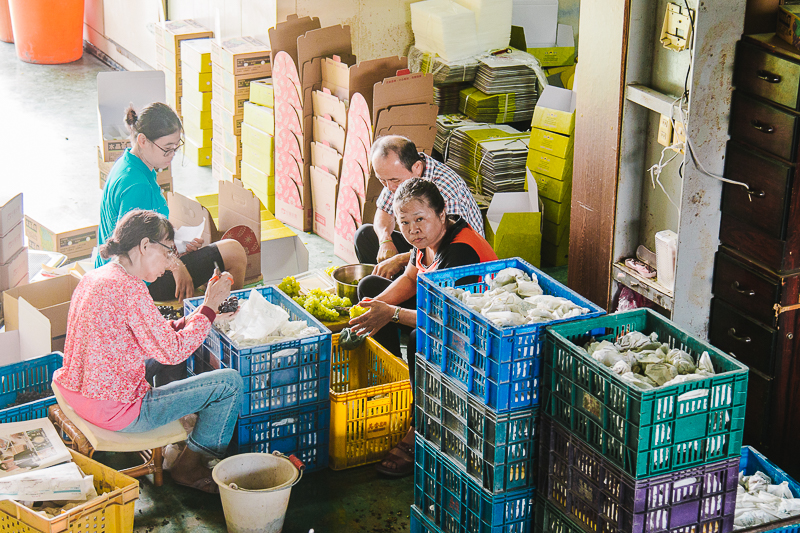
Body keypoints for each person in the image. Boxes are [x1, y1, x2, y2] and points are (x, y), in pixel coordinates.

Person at [53, 210, 244, 494]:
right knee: (230, 383)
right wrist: (208, 307)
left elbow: (150, 332)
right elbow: (174, 351)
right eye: (168, 252)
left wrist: (196, 319)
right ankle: (188, 467)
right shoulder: (131, 290)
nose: (170, 264)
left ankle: (180, 429)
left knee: (165, 348)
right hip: (118, 411)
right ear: (144, 246)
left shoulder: (97, 277)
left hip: (77, 392)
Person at [349, 178, 497, 477]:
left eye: (420, 219)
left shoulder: (459, 253)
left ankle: (421, 425)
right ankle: (398, 386)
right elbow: (410, 279)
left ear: (442, 215)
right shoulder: (426, 242)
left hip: (482, 338)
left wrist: (389, 314)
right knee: (370, 288)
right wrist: (366, 310)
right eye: (404, 222)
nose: (412, 229)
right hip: (445, 315)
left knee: (421, 337)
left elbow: (446, 319)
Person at [96, 102, 247, 303]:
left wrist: (176, 244)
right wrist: (176, 264)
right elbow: (133, 253)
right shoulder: (136, 185)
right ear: (142, 140)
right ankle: (226, 316)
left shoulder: (132, 165)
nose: (172, 155)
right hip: (137, 285)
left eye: (176, 148)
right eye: (167, 149)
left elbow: (144, 232)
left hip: (121, 272)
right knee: (234, 251)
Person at [353, 135, 484, 279]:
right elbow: (383, 210)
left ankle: (405, 291)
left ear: (417, 167)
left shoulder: (446, 190)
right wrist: (385, 241)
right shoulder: (399, 178)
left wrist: (400, 260)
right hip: (424, 244)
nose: (389, 187)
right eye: (382, 180)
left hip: (456, 256)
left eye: (394, 180)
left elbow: (448, 245)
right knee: (365, 235)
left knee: (382, 283)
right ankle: (391, 284)